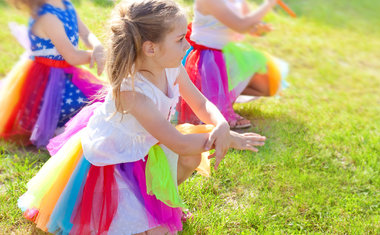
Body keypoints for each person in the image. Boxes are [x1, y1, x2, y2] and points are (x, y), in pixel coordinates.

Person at [18, 1, 266, 234]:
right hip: (116, 159)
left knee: (193, 153)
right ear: (151, 48)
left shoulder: (172, 66)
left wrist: (221, 125)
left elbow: (201, 103)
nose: (187, 43)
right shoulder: (133, 92)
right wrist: (229, 139)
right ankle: (146, 210)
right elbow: (177, 143)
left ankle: (163, 201)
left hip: (147, 144)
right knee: (155, 230)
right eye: (180, 38)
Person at [0, 0, 105, 147]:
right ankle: (60, 129)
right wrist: (103, 56)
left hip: (65, 73)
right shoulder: (48, 17)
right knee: (94, 107)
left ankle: (69, 126)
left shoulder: (66, 5)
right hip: (48, 83)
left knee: (101, 99)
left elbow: (86, 34)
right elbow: (72, 56)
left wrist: (98, 47)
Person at [178, 0, 289, 129]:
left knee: (268, 85)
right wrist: (269, 4)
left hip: (228, 53)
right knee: (208, 116)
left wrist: (258, 28)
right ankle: (220, 105)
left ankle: (222, 97)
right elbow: (240, 25)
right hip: (207, 58)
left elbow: (248, 26)